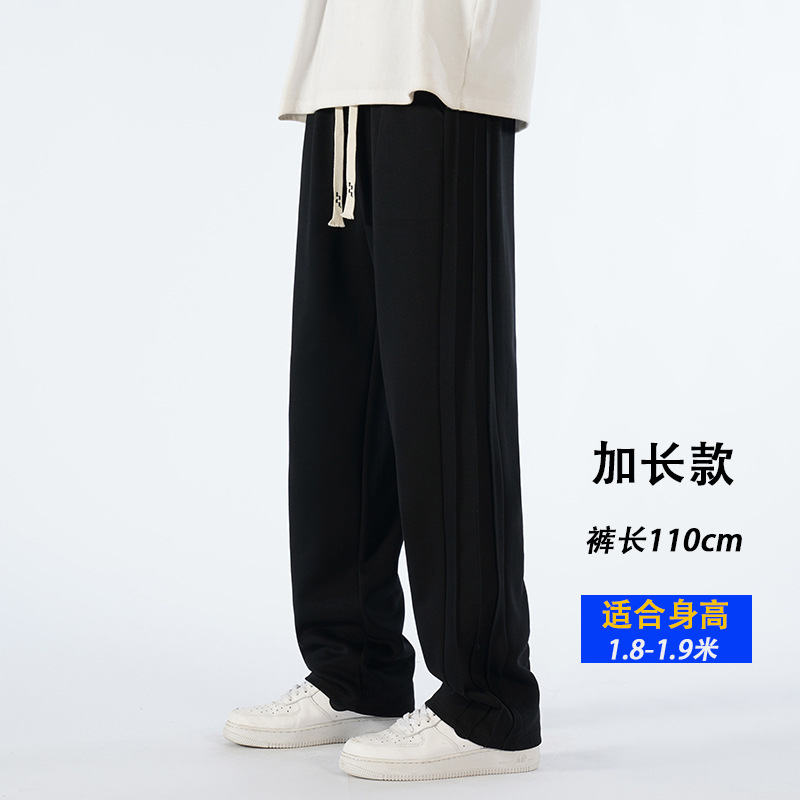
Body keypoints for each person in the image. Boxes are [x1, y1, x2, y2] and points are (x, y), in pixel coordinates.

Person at [224, 0, 544, 781]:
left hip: (441, 70)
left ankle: (488, 701)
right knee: (335, 392)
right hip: (344, 79)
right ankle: (355, 667)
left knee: (445, 393)